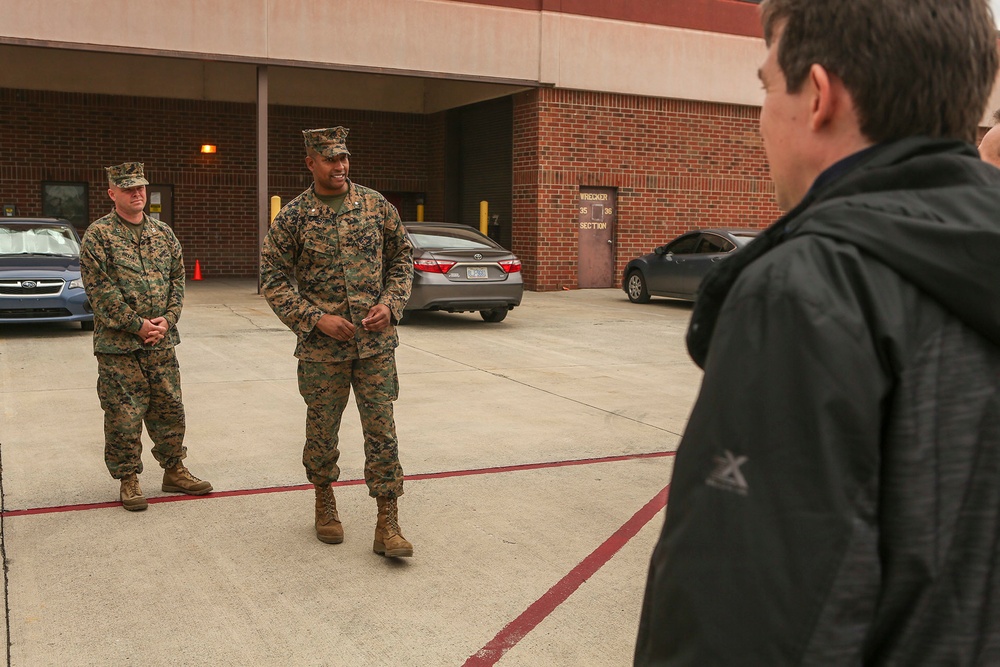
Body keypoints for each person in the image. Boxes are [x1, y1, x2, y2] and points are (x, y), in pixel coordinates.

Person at [635, 0, 1000, 664]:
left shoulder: (806, 291)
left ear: (821, 97)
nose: (763, 116)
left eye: (769, 85)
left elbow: (740, 629)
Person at [260, 127, 415, 557]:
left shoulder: (374, 205)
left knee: (382, 431)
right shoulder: (293, 216)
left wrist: (391, 304)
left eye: (344, 157)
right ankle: (324, 501)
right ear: (311, 163)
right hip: (322, 351)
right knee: (322, 432)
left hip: (375, 346)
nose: (340, 166)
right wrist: (315, 319)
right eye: (330, 159)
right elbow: (271, 277)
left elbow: (402, 257)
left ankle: (388, 522)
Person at [80, 162, 212, 512]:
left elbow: (177, 280)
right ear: (112, 193)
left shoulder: (164, 233)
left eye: (140, 187)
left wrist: (168, 320)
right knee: (123, 415)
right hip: (119, 347)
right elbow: (100, 292)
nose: (137, 193)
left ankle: (174, 470)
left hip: (162, 342)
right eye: (128, 188)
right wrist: (137, 325)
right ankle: (129, 478)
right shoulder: (99, 235)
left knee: (170, 409)